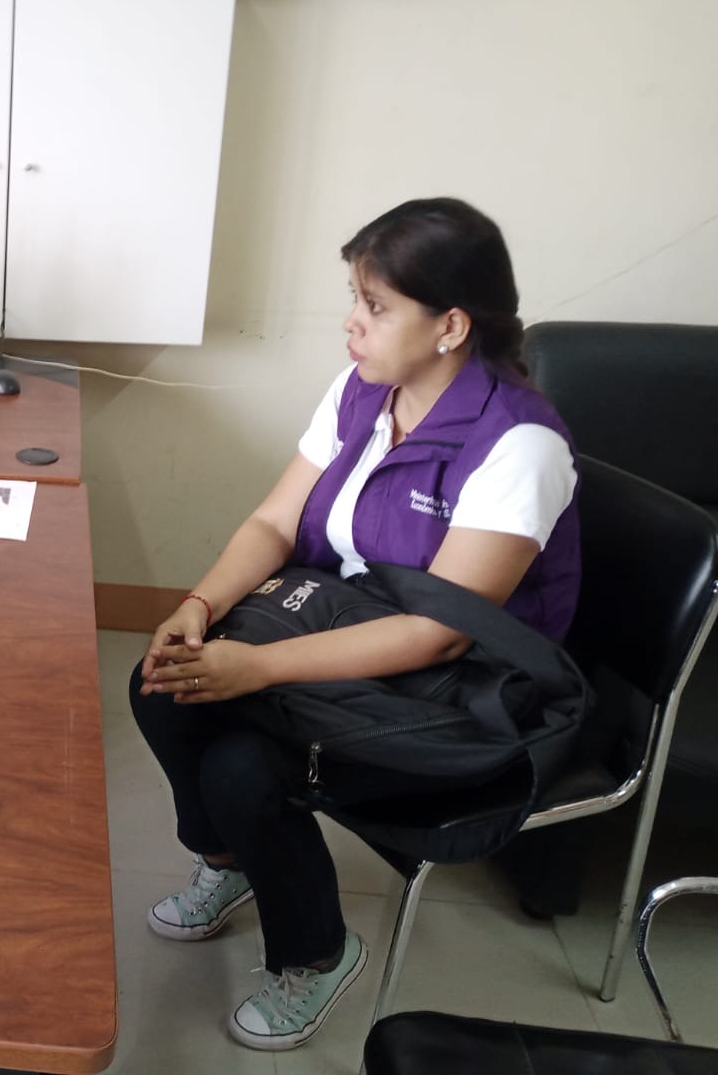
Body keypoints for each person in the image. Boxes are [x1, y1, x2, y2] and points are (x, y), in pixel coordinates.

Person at [130, 198, 580, 1051]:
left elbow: (439, 634)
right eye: (355, 298)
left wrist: (257, 668)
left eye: (376, 306)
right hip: (354, 631)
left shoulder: (518, 446)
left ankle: (318, 953)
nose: (352, 323)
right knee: (162, 683)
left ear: (451, 326)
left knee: (241, 764)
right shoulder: (361, 394)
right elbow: (274, 523)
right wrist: (199, 607)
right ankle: (229, 863)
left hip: (464, 693)